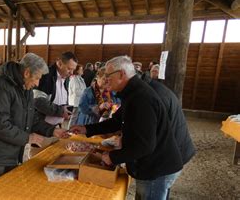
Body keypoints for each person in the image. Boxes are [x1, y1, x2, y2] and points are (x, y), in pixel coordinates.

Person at [70, 55, 183, 200]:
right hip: (152, 164)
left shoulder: (141, 98)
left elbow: (145, 146)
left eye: (108, 75)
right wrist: (87, 129)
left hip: (157, 167)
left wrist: (113, 157)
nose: (105, 79)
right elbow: (116, 121)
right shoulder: (132, 93)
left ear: (121, 74)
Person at [0, 53, 69, 185]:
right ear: (26, 73)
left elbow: (31, 118)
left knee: (10, 188)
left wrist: (52, 131)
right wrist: (29, 138)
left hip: (12, 150)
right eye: (36, 78)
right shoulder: (0, 85)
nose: (37, 83)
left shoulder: (25, 87)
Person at [34, 52, 77, 125]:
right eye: (69, 69)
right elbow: (38, 102)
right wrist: (61, 111)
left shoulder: (66, 78)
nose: (71, 73)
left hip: (57, 126)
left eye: (73, 70)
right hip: (42, 128)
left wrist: (66, 109)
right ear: (60, 64)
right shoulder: (46, 76)